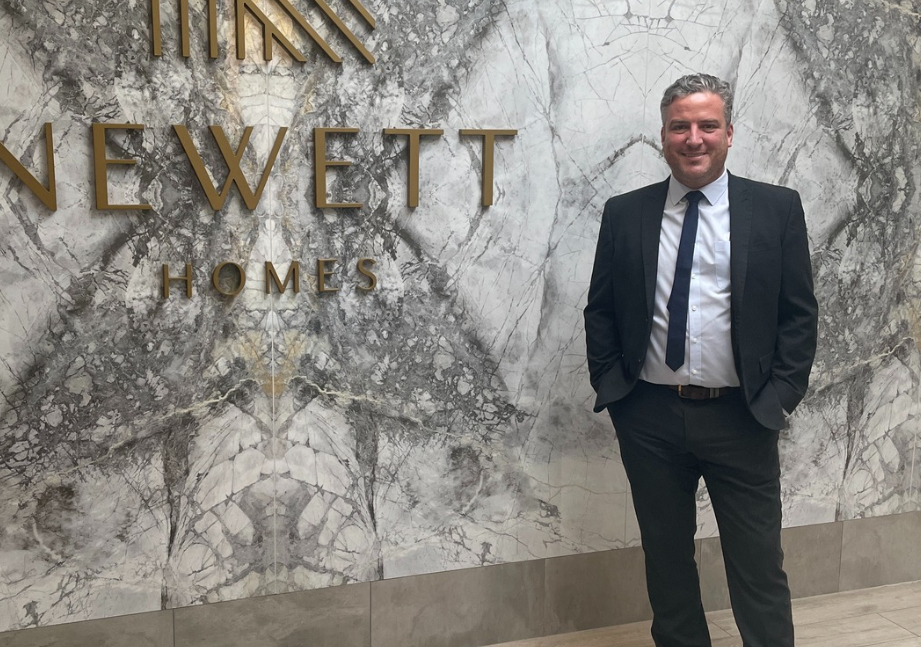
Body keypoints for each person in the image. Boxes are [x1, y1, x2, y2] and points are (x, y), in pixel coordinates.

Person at [583, 73, 818, 647]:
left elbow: (798, 314)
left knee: (758, 564)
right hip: (649, 417)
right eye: (680, 126)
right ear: (662, 135)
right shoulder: (625, 213)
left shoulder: (776, 209)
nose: (694, 138)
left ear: (729, 133)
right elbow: (601, 309)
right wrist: (617, 391)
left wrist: (779, 396)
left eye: (708, 125)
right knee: (666, 562)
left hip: (743, 416)